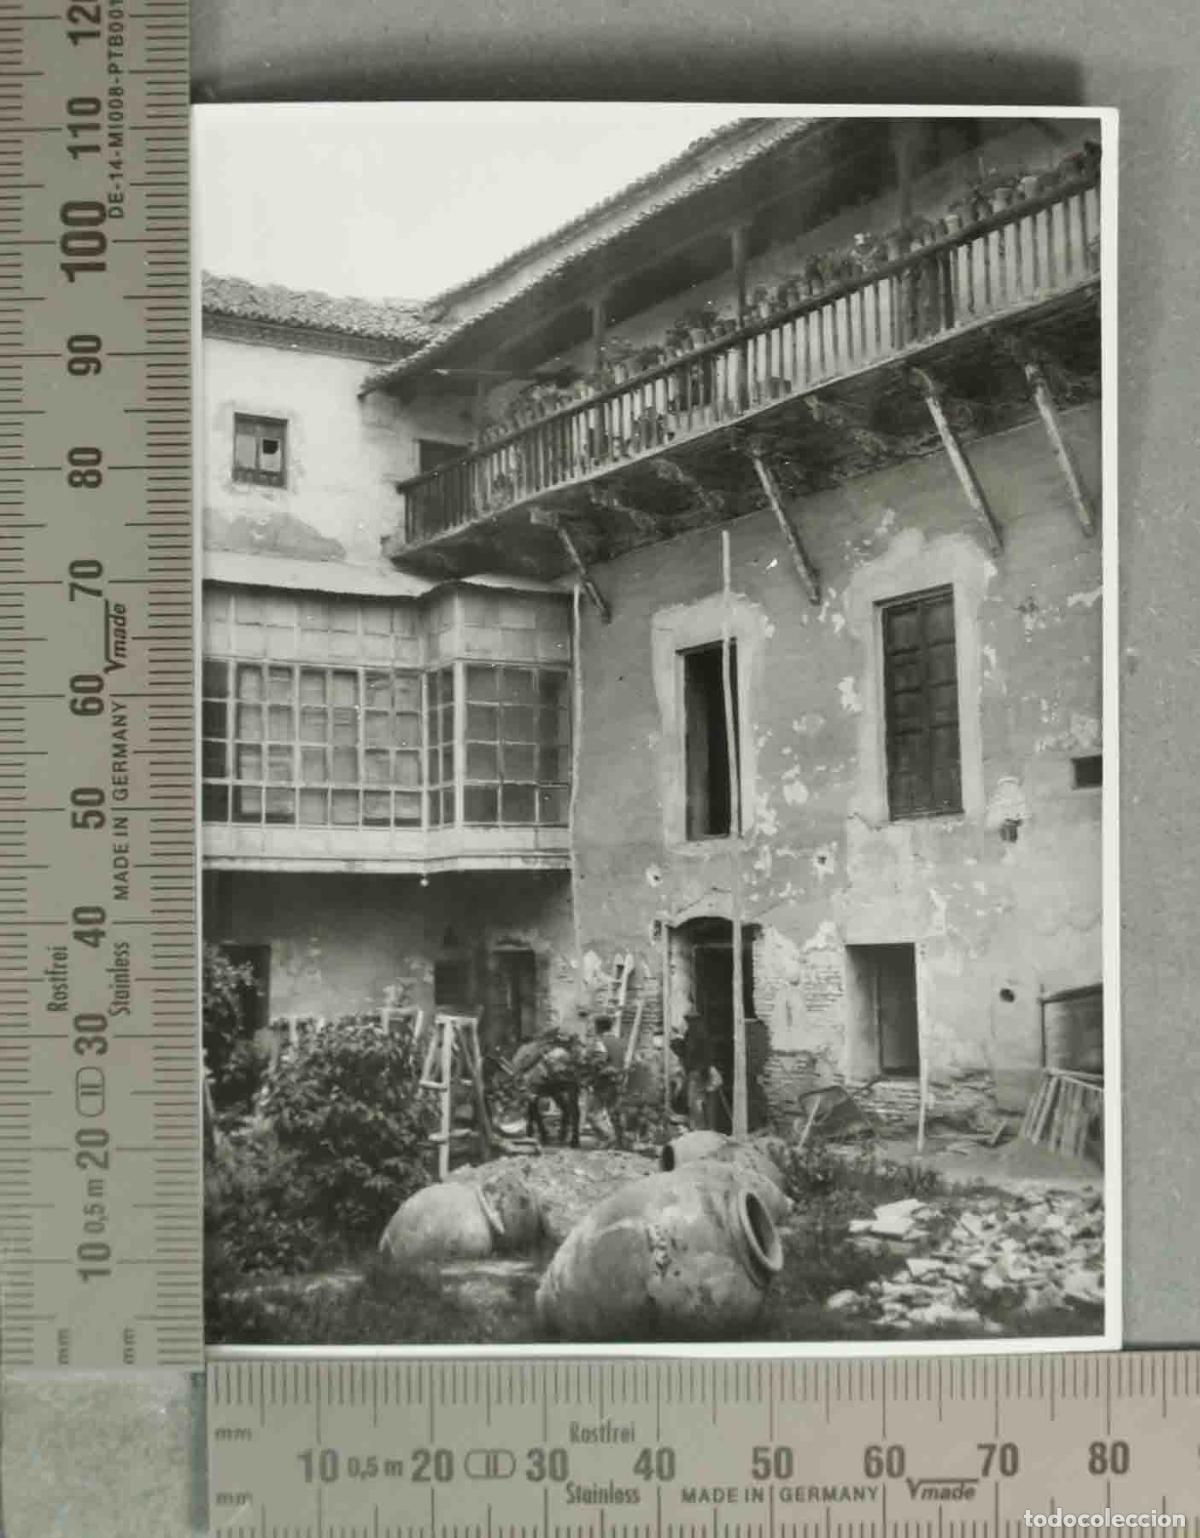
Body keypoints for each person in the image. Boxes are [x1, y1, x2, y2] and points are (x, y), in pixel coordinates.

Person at [589, 1013, 626, 1147]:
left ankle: (608, 1137)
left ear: (598, 1027)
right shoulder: (620, 1042)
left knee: (593, 1113)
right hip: (619, 1080)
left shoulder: (600, 1042)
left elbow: (599, 1060)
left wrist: (590, 1070)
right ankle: (621, 1141)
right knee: (614, 1112)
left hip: (603, 1081)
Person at [679, 1010, 714, 1130]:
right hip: (699, 1071)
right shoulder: (698, 1033)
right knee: (697, 1101)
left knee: (695, 1102)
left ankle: (698, 1128)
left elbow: (691, 1053)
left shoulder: (696, 1034)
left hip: (697, 1072)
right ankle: (699, 1126)